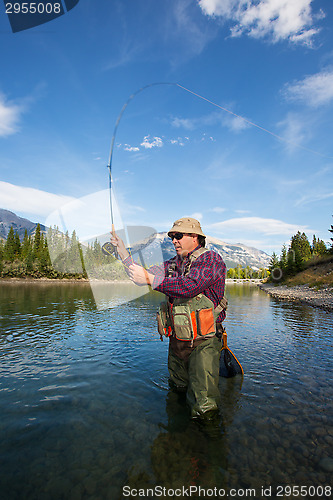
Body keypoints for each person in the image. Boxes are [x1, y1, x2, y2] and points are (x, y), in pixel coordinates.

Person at [110, 217, 227, 419]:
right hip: (177, 342)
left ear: (195, 237)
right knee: (177, 390)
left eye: (178, 236)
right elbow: (141, 276)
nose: (174, 240)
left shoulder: (211, 260)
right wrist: (122, 251)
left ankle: (210, 445)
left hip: (204, 343)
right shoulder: (173, 263)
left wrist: (149, 279)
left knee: (204, 408)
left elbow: (190, 286)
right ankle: (177, 436)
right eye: (172, 236)